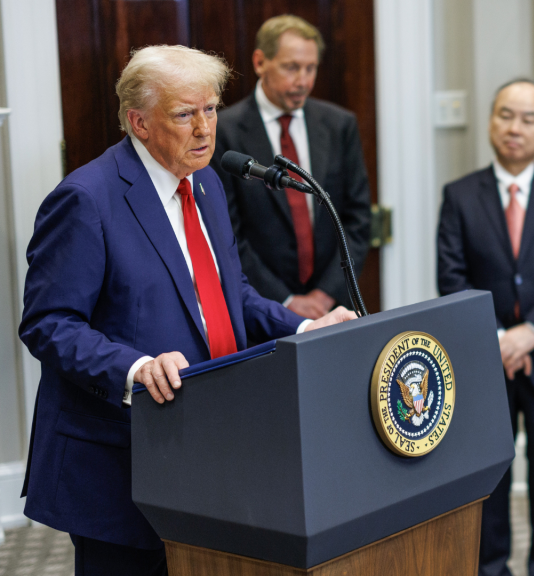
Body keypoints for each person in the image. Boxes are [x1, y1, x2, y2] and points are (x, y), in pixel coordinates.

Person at [18, 45, 355, 576]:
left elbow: (228, 294)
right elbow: (48, 324)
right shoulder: (86, 198)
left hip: (206, 443)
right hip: (120, 458)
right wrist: (133, 367)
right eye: (184, 114)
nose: (205, 129)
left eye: (212, 109)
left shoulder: (208, 183)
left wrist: (308, 326)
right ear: (140, 122)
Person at [437, 79, 534, 576]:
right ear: (490, 121)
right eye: (506, 115)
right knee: (491, 484)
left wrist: (531, 333)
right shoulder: (460, 196)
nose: (515, 128)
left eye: (529, 119)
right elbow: (451, 277)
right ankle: (492, 568)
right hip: (485, 364)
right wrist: (502, 339)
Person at [212, 14, 371, 320]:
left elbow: (357, 220)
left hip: (334, 304)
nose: (303, 81)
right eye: (291, 67)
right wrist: (285, 300)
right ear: (260, 62)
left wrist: (325, 294)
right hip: (261, 309)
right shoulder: (224, 132)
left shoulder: (340, 125)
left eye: (311, 68)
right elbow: (227, 233)